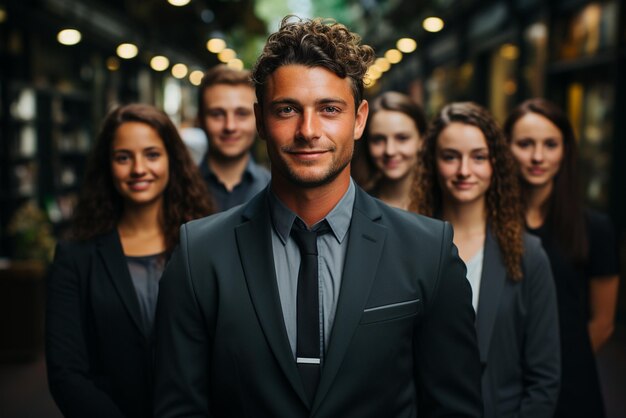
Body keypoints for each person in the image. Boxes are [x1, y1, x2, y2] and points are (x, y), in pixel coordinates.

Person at [154, 16, 482, 418]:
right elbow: (179, 409)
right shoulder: (199, 255)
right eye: (287, 109)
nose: (308, 130)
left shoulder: (427, 251)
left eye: (329, 109)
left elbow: (455, 409)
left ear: (359, 119)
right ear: (260, 120)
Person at [45, 104, 214, 418]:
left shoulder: (208, 244)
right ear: (107, 166)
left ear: (172, 161)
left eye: (152, 154)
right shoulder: (75, 256)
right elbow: (66, 373)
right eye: (123, 157)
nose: (139, 168)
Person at [410, 102, 560, 418]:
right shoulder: (408, 249)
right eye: (450, 157)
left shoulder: (527, 255)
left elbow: (544, 380)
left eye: (479, 157)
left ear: (496, 164)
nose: (465, 171)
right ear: (432, 164)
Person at [504, 98, 620, 418]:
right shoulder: (491, 224)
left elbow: (604, 323)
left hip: (571, 382)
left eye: (550, 145)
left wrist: (552, 369)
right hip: (503, 382)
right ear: (506, 149)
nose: (538, 157)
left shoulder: (594, 228)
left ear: (565, 150)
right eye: (525, 144)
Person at [197, 64, 270, 211]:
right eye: (217, 114)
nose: (230, 126)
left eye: (242, 114)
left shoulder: (277, 189)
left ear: (258, 119)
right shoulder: (176, 187)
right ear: (200, 120)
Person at [356, 91, 426, 209]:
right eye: (378, 140)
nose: (390, 151)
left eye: (402, 138)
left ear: (422, 141)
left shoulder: (444, 203)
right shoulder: (357, 205)